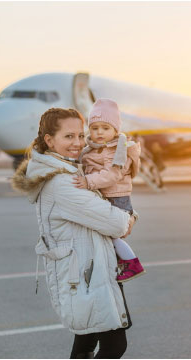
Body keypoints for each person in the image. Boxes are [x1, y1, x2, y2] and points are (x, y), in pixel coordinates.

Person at [11, 108, 136, 359]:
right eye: (69, 137)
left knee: (85, 346)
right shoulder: (62, 183)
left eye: (81, 135)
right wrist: (130, 218)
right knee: (114, 346)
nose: (78, 143)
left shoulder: (70, 171)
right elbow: (117, 224)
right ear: (49, 140)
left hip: (88, 272)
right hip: (85, 277)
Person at [73, 99, 145, 282]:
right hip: (106, 196)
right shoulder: (94, 149)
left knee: (110, 234)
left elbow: (111, 175)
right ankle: (120, 262)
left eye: (105, 128)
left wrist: (87, 181)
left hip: (116, 197)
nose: (99, 132)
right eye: (95, 128)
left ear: (115, 130)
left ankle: (132, 262)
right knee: (105, 236)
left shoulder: (115, 150)